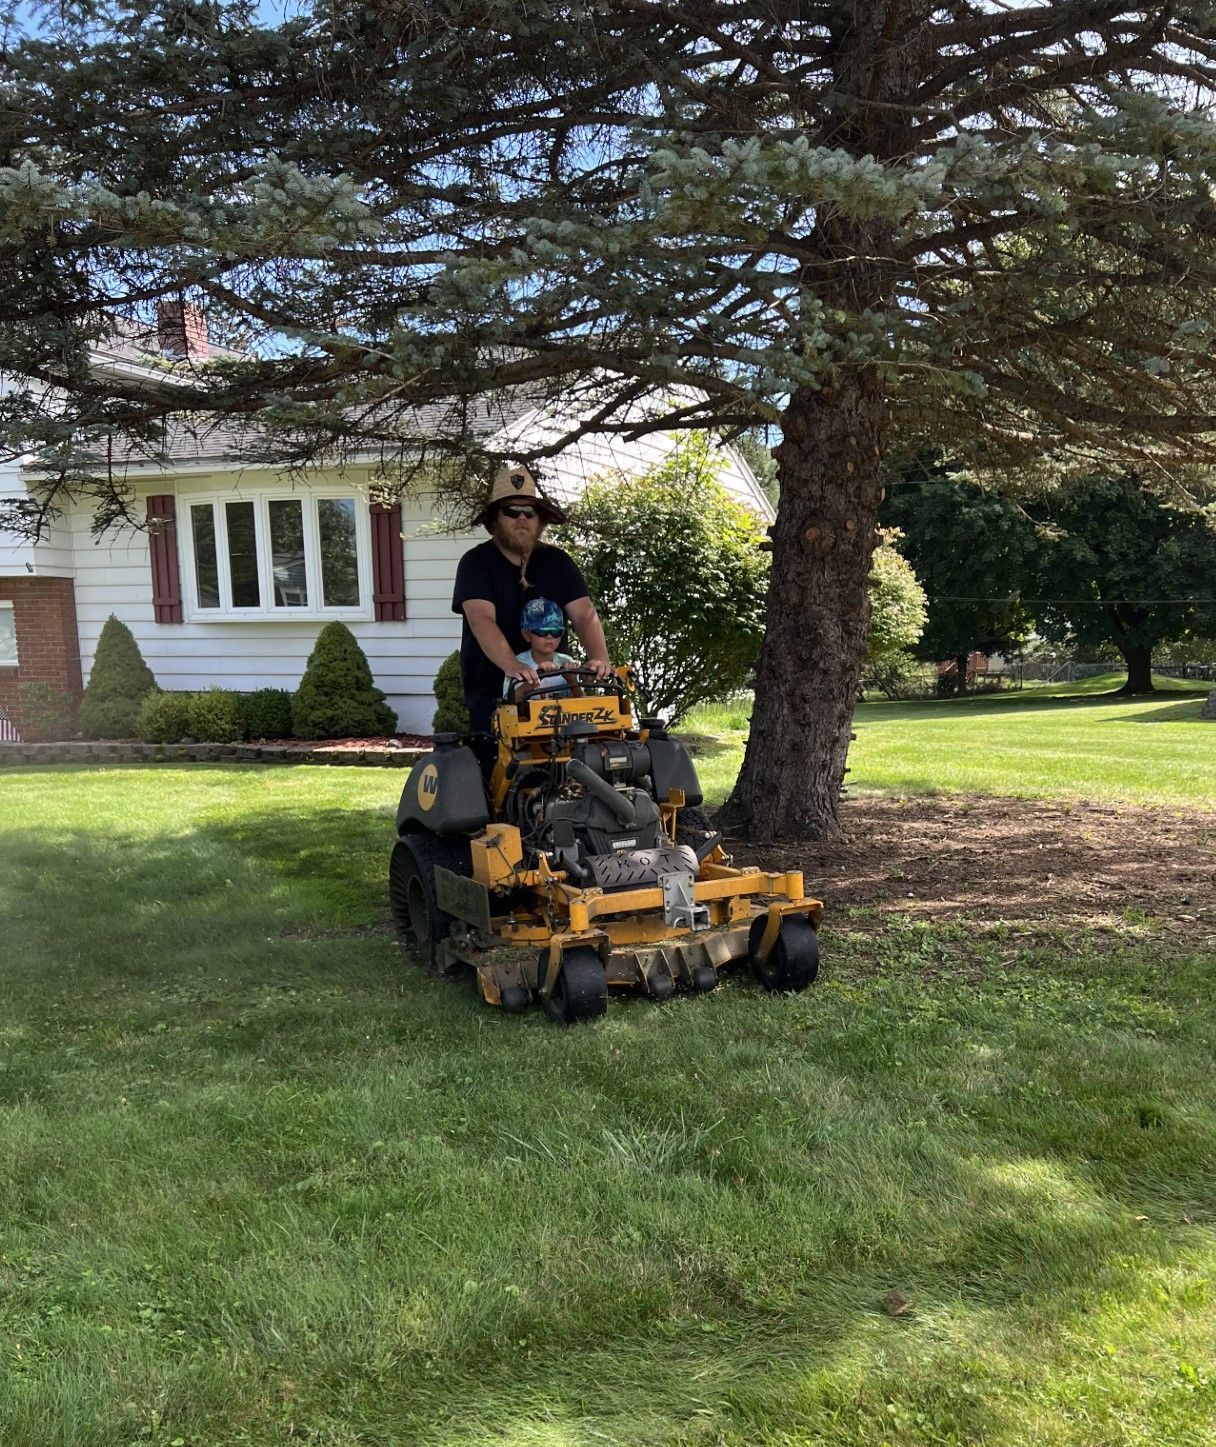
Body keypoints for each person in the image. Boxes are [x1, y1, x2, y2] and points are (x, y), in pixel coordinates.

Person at [452, 464, 612, 748]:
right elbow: (481, 620)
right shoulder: (475, 563)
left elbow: (585, 615)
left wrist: (600, 659)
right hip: (494, 700)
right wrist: (515, 667)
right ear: (495, 520)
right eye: (511, 512)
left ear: (541, 520)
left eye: (530, 512)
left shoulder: (559, 563)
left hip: (555, 701)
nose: (521, 519)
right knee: (497, 782)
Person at [503, 597, 580, 703]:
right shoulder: (517, 664)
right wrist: (535, 679)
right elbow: (507, 703)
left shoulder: (568, 662)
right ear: (526, 634)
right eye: (542, 631)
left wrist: (572, 681)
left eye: (555, 631)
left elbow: (581, 703)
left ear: (561, 635)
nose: (549, 636)